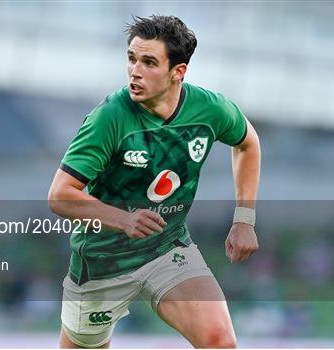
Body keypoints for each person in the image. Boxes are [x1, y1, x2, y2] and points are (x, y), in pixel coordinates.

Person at [48, 15, 260, 349]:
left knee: (220, 342)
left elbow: (248, 144)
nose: (135, 70)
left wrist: (244, 219)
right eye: (131, 59)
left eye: (149, 62)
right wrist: (124, 219)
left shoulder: (210, 110)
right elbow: (60, 195)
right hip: (104, 260)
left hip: (166, 248)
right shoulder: (109, 118)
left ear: (178, 72)